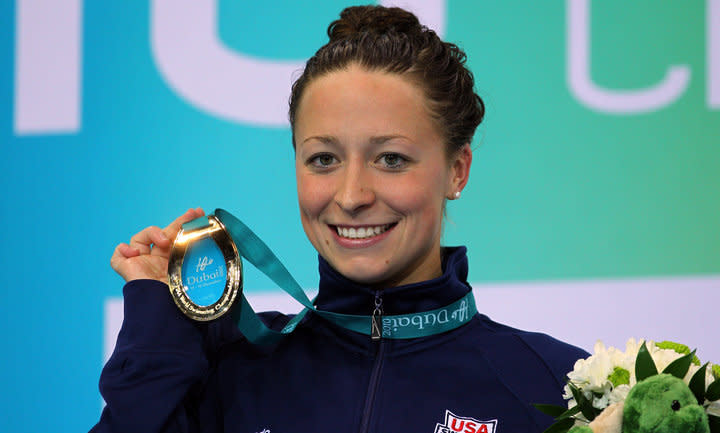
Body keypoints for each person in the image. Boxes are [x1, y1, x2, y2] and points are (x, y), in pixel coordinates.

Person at [92, 5, 587, 433]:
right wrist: (160, 320)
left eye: (391, 159)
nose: (351, 196)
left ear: (457, 170)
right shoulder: (227, 367)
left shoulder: (562, 389)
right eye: (324, 159)